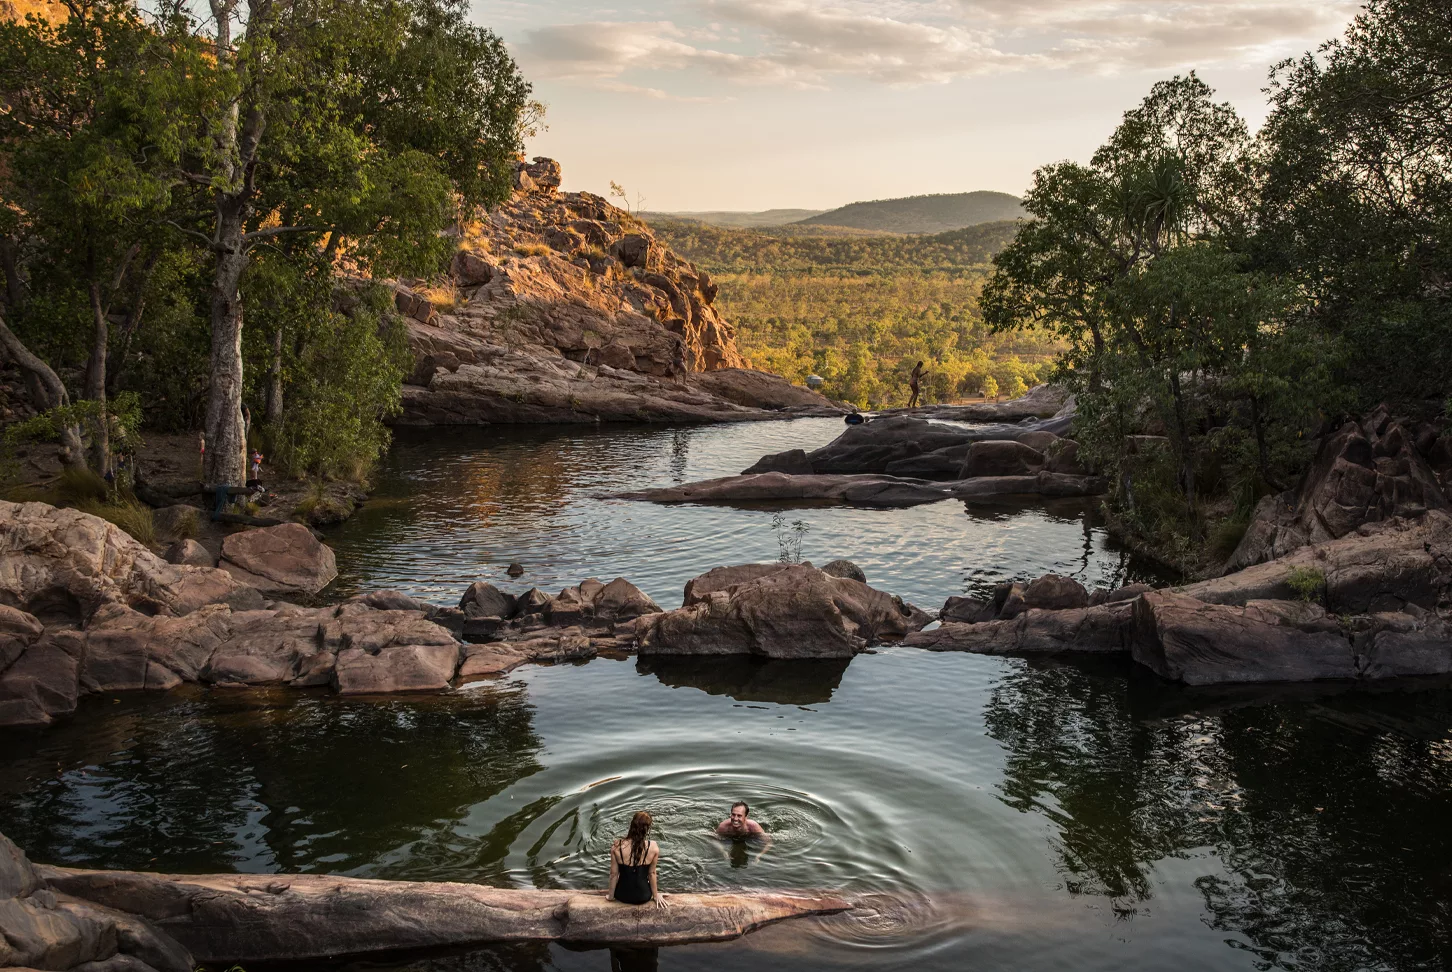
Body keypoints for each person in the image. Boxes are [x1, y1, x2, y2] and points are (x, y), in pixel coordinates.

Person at [607, 811, 667, 909]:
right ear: (647, 829)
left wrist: (610, 896)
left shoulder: (617, 846)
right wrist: (656, 896)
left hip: (622, 895)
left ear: (632, 825)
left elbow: (613, 874)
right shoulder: (653, 847)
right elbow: (651, 874)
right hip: (644, 896)